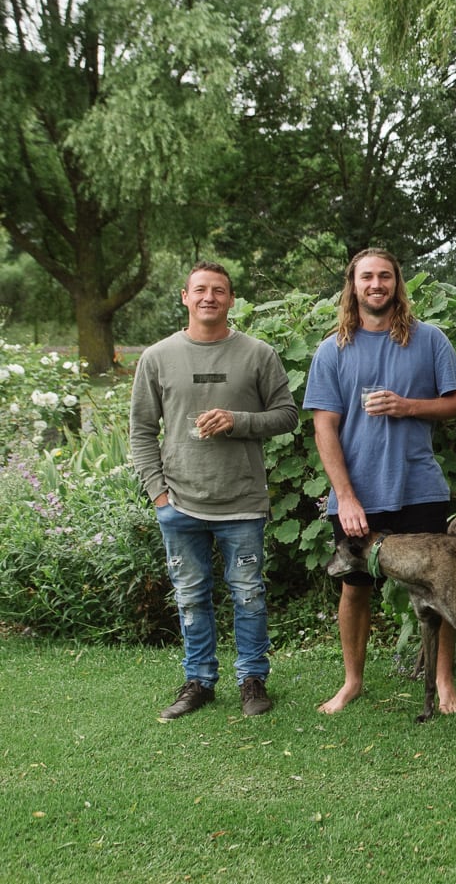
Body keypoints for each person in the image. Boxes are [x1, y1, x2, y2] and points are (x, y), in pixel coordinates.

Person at [303, 248, 456, 717]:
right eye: (367, 278)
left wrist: (408, 406)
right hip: (358, 496)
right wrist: (345, 497)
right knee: (355, 587)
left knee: (439, 589)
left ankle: (443, 682)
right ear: (352, 286)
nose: (376, 285)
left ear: (397, 284)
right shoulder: (332, 349)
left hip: (419, 488)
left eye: (385, 277)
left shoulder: (429, 340)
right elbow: (325, 429)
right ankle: (352, 681)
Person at [130, 262, 298, 719]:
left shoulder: (258, 354)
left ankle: (252, 679)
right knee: (190, 596)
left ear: (231, 298)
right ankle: (199, 681)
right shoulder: (158, 357)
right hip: (180, 504)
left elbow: (287, 415)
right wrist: (157, 495)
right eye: (200, 290)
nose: (209, 297)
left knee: (248, 594)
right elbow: (142, 430)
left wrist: (237, 421)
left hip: (241, 502)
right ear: (184, 296)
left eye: (219, 290)